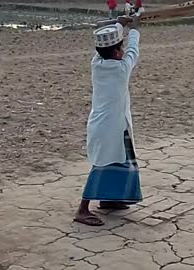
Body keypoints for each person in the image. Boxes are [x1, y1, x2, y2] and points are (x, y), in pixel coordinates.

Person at [74, 15, 143, 226]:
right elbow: (133, 51)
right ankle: (82, 209)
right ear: (115, 52)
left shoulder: (97, 63)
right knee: (102, 165)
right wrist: (134, 30)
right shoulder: (120, 69)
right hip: (109, 127)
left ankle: (109, 199)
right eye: (120, 48)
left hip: (109, 125)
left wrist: (119, 24)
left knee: (119, 161)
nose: (123, 51)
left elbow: (116, 46)